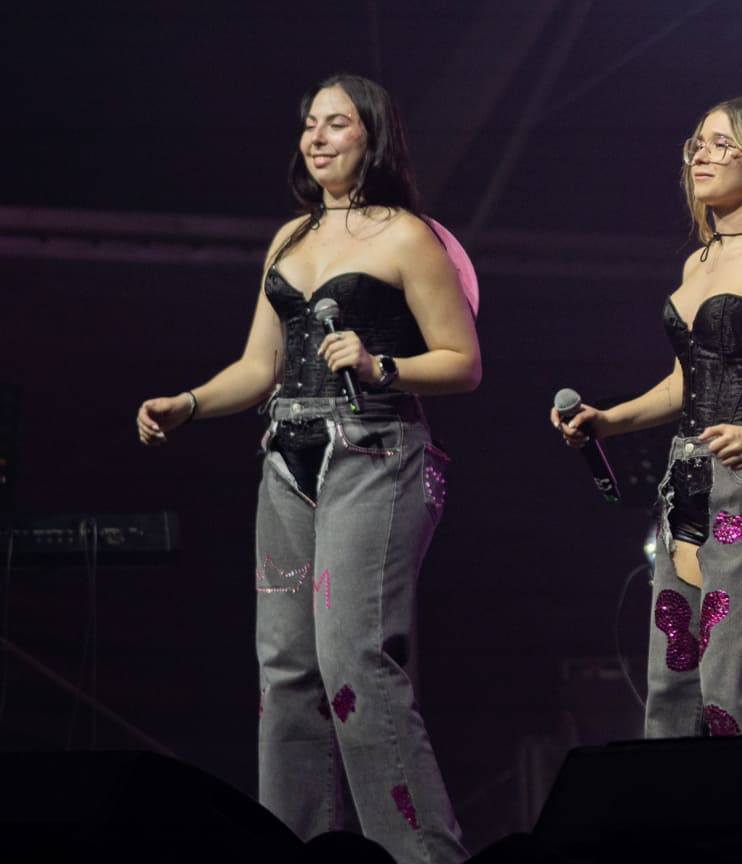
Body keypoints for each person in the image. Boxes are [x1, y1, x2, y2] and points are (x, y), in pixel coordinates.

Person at [135, 75, 482, 863]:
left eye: (338, 124)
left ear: (375, 138)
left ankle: (422, 857)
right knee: (285, 672)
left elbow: (463, 364)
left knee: (354, 660)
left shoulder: (406, 237)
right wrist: (186, 402)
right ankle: (290, 848)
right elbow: (259, 366)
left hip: (376, 451)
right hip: (286, 461)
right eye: (310, 125)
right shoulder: (289, 240)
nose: (318, 137)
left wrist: (378, 362)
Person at [553, 97, 742, 737]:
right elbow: (685, 382)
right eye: (698, 142)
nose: (702, 153)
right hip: (687, 476)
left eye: (723, 144)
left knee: (732, 685)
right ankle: (680, 831)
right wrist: (609, 421)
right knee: (672, 683)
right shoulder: (698, 262)